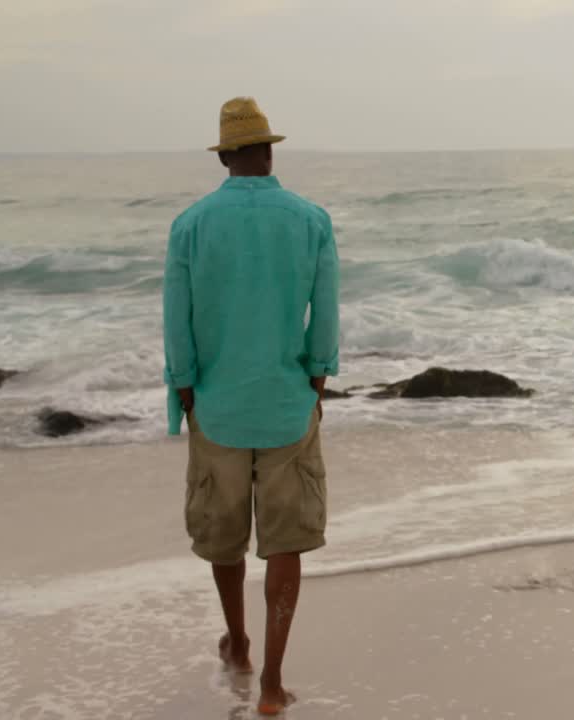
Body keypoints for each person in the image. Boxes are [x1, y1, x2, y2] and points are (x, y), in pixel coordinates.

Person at [162, 96, 339, 716]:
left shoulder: (191, 225)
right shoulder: (311, 219)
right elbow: (326, 318)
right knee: (284, 540)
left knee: (224, 536)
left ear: (225, 157)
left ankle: (237, 641)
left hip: (217, 407)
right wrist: (317, 381)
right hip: (287, 405)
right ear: (268, 151)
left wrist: (184, 389)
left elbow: (177, 322)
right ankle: (272, 683)